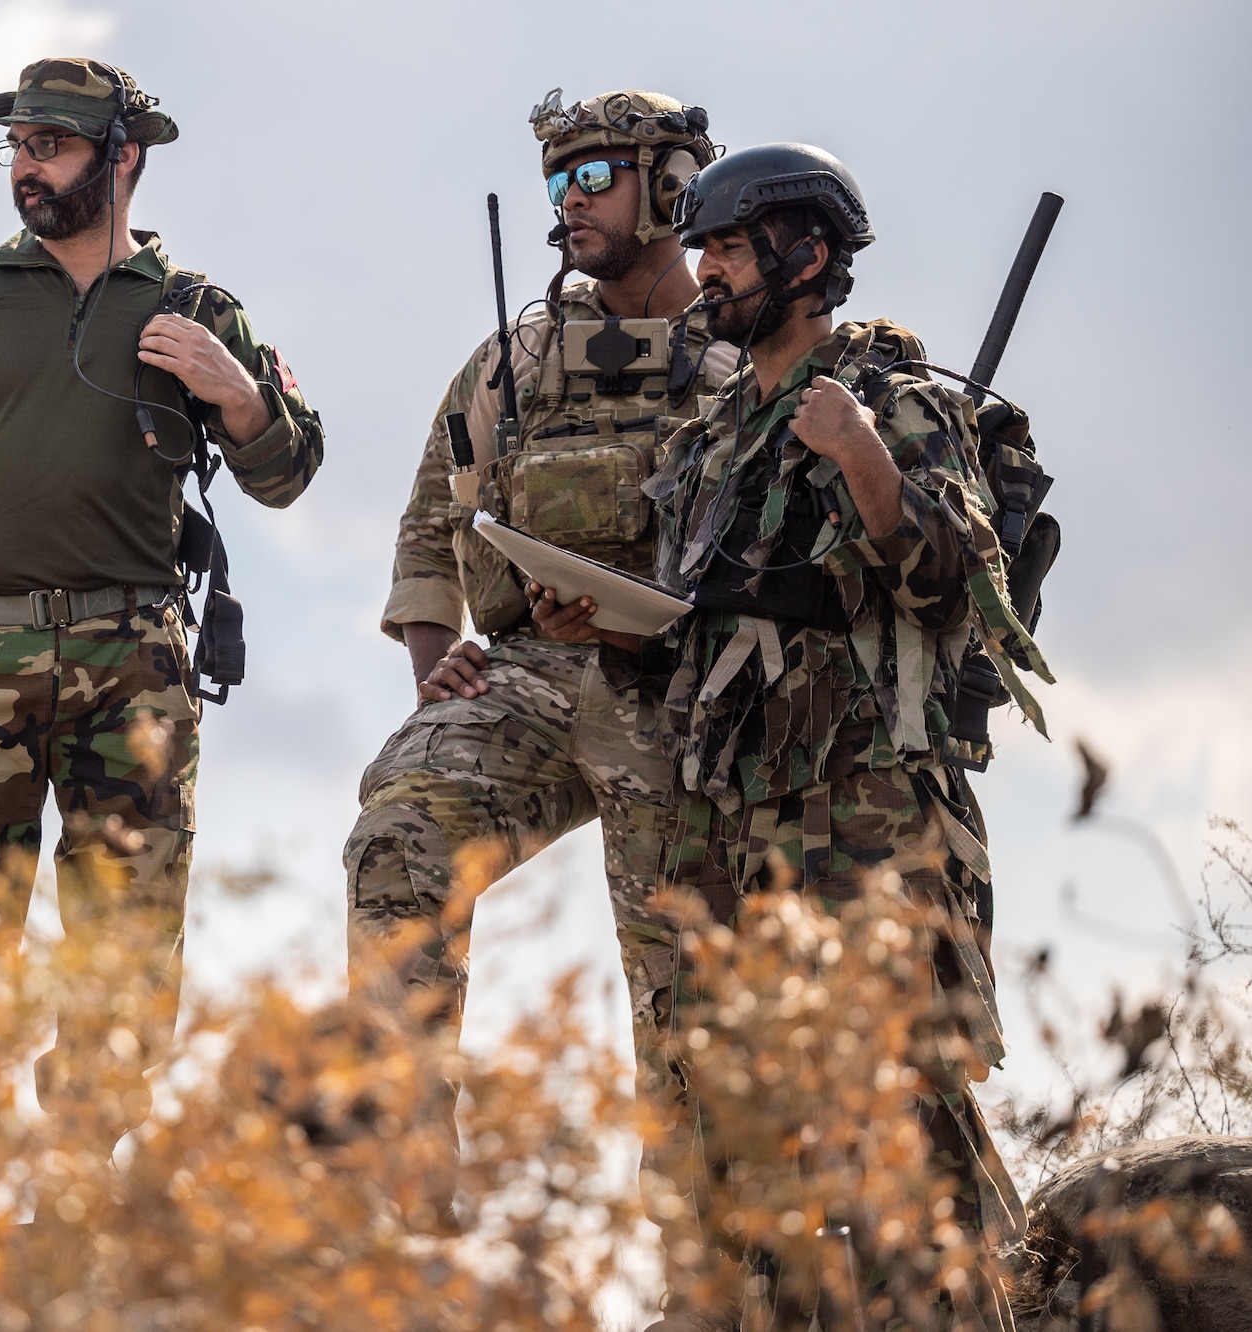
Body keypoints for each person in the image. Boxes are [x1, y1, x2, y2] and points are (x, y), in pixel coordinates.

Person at [534, 141, 1050, 1329]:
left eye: (726, 247)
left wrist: (860, 453)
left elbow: (947, 583)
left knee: (898, 1118)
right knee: (744, 1130)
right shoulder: (713, 439)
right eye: (703, 247)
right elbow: (690, 638)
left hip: (863, 810)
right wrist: (602, 626)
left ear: (805, 254)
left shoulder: (896, 399)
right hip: (728, 823)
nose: (705, 272)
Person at [0, 57, 324, 1152]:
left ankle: (86, 1197)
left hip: (133, 663)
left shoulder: (194, 308)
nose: (26, 168)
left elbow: (287, 472)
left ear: (121, 156)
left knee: (125, 943)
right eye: (17, 147)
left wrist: (235, 391)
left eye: (52, 146)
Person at [343, 88, 735, 1222]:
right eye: (556, 182)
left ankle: (698, 1268)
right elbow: (429, 529)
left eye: (593, 178)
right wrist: (436, 666)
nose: (566, 204)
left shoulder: (741, 347)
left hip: (685, 693)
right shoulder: (508, 363)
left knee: (677, 960)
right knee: (396, 831)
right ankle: (401, 1196)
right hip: (523, 674)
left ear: (671, 187)